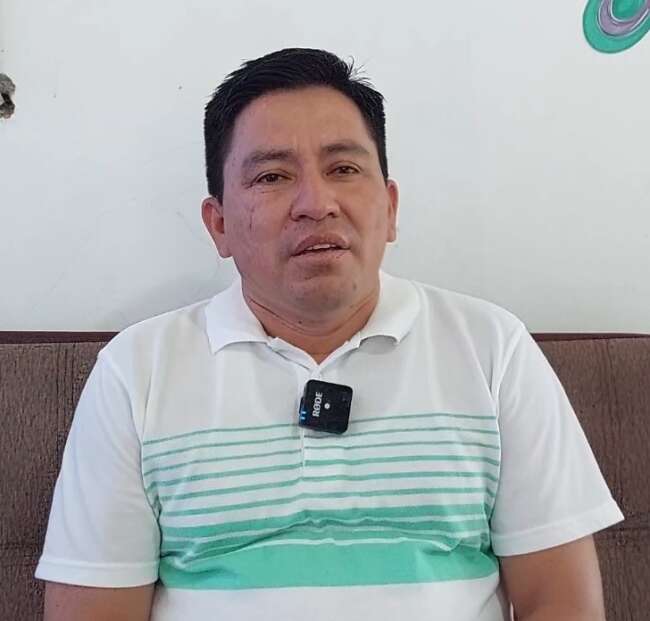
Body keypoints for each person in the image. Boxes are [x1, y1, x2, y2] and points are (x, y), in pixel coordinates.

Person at [36, 48, 624, 621]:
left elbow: (562, 602)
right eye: (272, 176)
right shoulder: (136, 371)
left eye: (343, 169)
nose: (316, 204)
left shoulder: (494, 349)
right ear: (219, 225)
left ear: (390, 208)